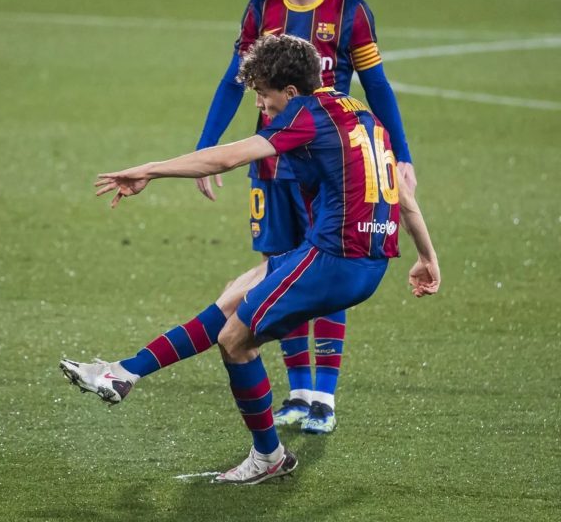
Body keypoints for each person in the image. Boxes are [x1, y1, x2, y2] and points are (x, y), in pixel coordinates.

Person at [61, 34, 439, 484]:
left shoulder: (306, 116)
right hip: (359, 256)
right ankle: (123, 373)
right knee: (232, 298)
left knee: (235, 340)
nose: (259, 101)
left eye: (263, 91)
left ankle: (269, 457)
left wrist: (149, 169)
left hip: (335, 260)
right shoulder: (361, 113)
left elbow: (228, 158)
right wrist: (426, 256)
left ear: (292, 92)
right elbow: (402, 191)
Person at [192, 0, 416, 433]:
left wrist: (400, 155)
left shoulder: (350, 12)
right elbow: (232, 82)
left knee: (323, 271)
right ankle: (296, 392)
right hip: (272, 169)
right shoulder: (259, 10)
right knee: (278, 272)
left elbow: (377, 87)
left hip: (330, 171)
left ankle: (324, 396)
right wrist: (207, 147)